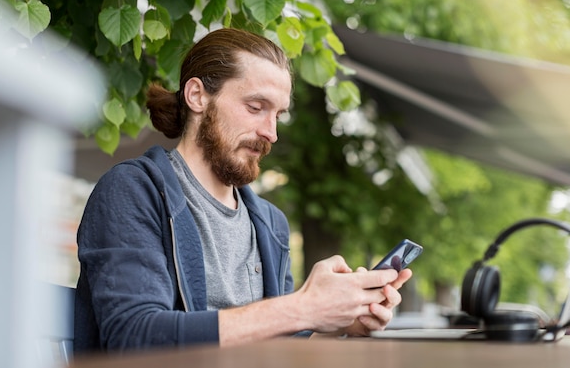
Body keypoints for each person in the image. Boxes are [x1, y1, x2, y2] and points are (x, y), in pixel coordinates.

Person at [74, 28, 413, 354]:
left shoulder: (269, 222)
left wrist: (340, 322)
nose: (271, 133)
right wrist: (303, 307)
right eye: (255, 107)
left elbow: (275, 342)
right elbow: (135, 338)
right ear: (197, 96)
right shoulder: (132, 191)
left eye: (278, 114)